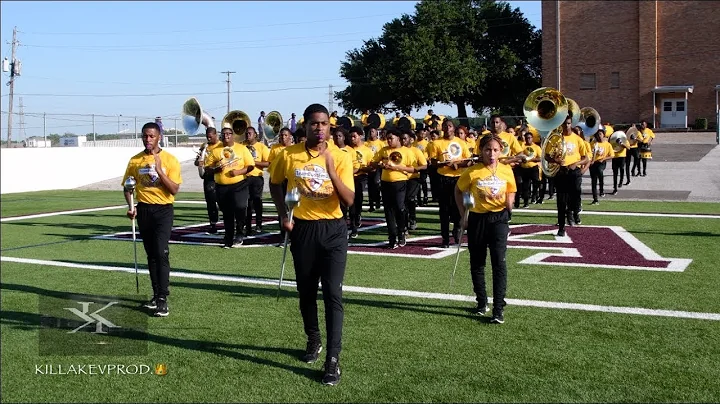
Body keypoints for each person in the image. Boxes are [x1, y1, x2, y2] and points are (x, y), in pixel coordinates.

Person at [269, 103, 355, 386]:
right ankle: (313, 338)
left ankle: (333, 359)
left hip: (333, 230)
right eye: (314, 124)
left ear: (330, 127)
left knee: (332, 293)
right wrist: (284, 214)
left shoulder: (340, 157)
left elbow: (349, 200)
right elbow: (275, 183)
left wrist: (330, 169)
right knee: (306, 292)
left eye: (324, 124)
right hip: (303, 229)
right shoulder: (288, 154)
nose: (320, 128)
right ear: (304, 125)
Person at [122, 122, 182, 317]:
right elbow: (128, 186)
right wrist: (132, 207)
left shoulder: (170, 159)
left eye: (151, 136)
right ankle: (156, 294)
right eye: (145, 136)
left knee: (161, 253)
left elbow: (173, 189)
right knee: (151, 255)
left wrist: (159, 170)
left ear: (159, 137)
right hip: (145, 210)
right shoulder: (135, 161)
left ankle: (163, 298)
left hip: (163, 210)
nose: (148, 140)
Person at [455, 134, 516, 324]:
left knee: (499, 262)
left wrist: (510, 203)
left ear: (501, 151)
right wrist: (463, 214)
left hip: (499, 219)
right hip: (477, 220)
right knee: (477, 262)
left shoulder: (506, 170)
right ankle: (481, 302)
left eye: (496, 150)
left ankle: (498, 308)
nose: (491, 154)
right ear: (481, 151)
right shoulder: (472, 172)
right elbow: (459, 190)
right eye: (488, 149)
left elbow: (511, 189)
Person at [207, 126, 255, 248]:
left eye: (228, 134)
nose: (226, 136)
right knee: (227, 212)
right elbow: (207, 168)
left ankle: (239, 232)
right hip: (221, 187)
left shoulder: (242, 148)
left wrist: (238, 172)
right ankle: (228, 237)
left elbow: (250, 166)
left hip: (239, 184)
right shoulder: (216, 150)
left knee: (240, 207)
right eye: (223, 134)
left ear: (232, 135)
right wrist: (215, 169)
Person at [427, 119, 472, 247]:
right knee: (444, 209)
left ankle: (457, 230)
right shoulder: (436, 143)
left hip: (458, 178)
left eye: (450, 126)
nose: (447, 128)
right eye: (445, 126)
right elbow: (433, 162)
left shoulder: (461, 143)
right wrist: (443, 164)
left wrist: (457, 164)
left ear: (454, 128)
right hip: (443, 178)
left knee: (458, 207)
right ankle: (445, 237)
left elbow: (468, 160)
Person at [370, 128, 416, 248]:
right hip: (386, 183)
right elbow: (373, 162)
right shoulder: (384, 150)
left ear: (398, 139)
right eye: (388, 138)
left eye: (391, 138)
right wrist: (380, 164)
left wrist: (399, 168)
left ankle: (401, 232)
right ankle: (392, 236)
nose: (389, 141)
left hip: (400, 182)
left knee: (400, 208)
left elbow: (412, 169)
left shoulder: (406, 151)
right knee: (388, 210)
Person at [549, 116, 589, 235]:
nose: (566, 126)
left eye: (568, 123)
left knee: (576, 193)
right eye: (564, 124)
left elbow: (586, 158)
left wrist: (576, 163)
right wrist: (556, 161)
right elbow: (546, 156)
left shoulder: (577, 139)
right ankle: (561, 227)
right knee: (561, 201)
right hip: (561, 171)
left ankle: (573, 211)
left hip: (574, 171)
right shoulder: (556, 139)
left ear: (571, 124)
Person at [194, 127, 222, 234]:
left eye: (211, 136)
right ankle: (213, 224)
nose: (209, 138)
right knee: (210, 202)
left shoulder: (221, 145)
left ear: (216, 135)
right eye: (207, 136)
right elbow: (196, 161)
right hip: (208, 177)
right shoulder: (204, 146)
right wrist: (198, 163)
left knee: (222, 202)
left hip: (219, 176)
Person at [348, 126, 374, 238]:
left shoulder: (367, 150)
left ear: (360, 136)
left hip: (361, 176)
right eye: (351, 137)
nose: (352, 139)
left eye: (354, 136)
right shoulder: (347, 149)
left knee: (358, 198)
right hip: (348, 177)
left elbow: (372, 167)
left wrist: (361, 168)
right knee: (351, 202)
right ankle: (353, 224)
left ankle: (358, 214)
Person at [244, 126, 270, 235]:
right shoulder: (242, 146)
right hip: (244, 177)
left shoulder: (262, 147)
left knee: (257, 200)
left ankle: (259, 223)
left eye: (250, 133)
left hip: (256, 177)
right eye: (246, 133)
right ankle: (248, 226)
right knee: (247, 203)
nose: (248, 135)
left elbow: (268, 163)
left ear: (255, 134)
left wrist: (254, 163)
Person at [402, 130, 428, 231]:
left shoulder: (416, 150)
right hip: (401, 178)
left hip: (413, 178)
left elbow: (424, 165)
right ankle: (403, 222)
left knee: (410, 199)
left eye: (405, 138)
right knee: (402, 201)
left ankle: (412, 219)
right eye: (401, 139)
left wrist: (416, 169)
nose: (403, 141)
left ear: (410, 140)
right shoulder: (398, 150)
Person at [588, 127, 614, 205]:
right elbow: (589, 153)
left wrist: (604, 158)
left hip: (601, 163)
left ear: (603, 135)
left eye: (600, 134)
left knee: (600, 173)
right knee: (593, 180)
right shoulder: (593, 144)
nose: (599, 136)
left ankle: (601, 190)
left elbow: (612, 155)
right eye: (597, 134)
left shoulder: (607, 144)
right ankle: (595, 199)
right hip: (593, 163)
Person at [518, 132, 542, 208]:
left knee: (536, 183)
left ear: (532, 138)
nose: (528, 139)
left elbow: (540, 158)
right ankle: (526, 202)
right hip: (524, 168)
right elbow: (518, 155)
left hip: (533, 168)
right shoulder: (522, 146)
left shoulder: (536, 147)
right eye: (527, 138)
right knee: (525, 186)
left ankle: (534, 195)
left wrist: (530, 159)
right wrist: (522, 159)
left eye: (530, 138)